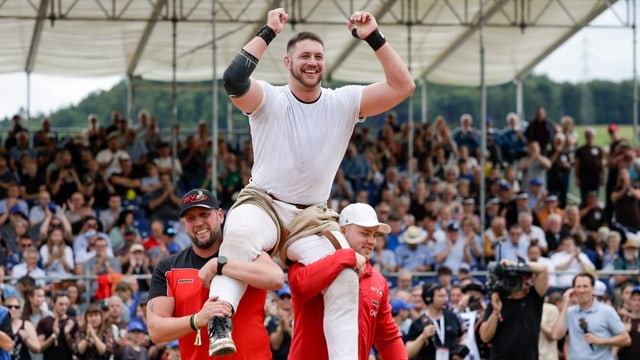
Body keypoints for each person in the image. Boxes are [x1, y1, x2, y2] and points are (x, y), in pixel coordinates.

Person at [208, 6, 414, 358]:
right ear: (288, 63)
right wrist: (268, 31)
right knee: (239, 237)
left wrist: (374, 38)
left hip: (311, 216)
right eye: (304, 56)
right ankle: (218, 321)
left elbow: (403, 86)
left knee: (346, 273)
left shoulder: (343, 101)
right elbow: (234, 80)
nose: (312, 62)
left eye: (318, 56)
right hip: (264, 203)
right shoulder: (271, 97)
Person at [146, 189, 284, 360]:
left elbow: (277, 278)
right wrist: (197, 319)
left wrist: (219, 265)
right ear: (184, 224)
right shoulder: (168, 268)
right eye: (191, 218)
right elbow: (155, 331)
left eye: (204, 214)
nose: (198, 223)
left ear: (220, 215)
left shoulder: (246, 250)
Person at [287, 203, 407, 359]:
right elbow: (299, 287)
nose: (372, 241)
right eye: (365, 233)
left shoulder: (378, 280)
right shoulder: (310, 259)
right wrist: (345, 257)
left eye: (375, 235)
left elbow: (388, 339)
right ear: (343, 231)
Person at [479, 258, 549, 360]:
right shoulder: (498, 300)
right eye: (521, 276)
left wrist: (513, 265)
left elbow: (543, 269)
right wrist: (496, 312)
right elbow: (485, 337)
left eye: (527, 276)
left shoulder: (534, 297)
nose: (526, 279)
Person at [551, 272, 631, 359]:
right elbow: (556, 335)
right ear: (574, 290)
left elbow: (626, 339)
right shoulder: (570, 312)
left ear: (593, 289)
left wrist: (600, 341)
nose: (582, 290)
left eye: (585, 286)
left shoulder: (607, 311)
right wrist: (566, 302)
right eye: (578, 287)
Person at [405, 283, 466, 360]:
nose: (446, 299)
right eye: (441, 296)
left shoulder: (452, 317)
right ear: (429, 298)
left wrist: (461, 352)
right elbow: (408, 354)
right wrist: (423, 337)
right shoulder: (417, 324)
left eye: (445, 295)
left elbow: (460, 339)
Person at [6, 295, 41, 360]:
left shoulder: (26, 325)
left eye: (16, 307)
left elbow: (38, 349)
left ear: (20, 310)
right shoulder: (1, 325)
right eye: (9, 307)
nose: (13, 309)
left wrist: (26, 340)